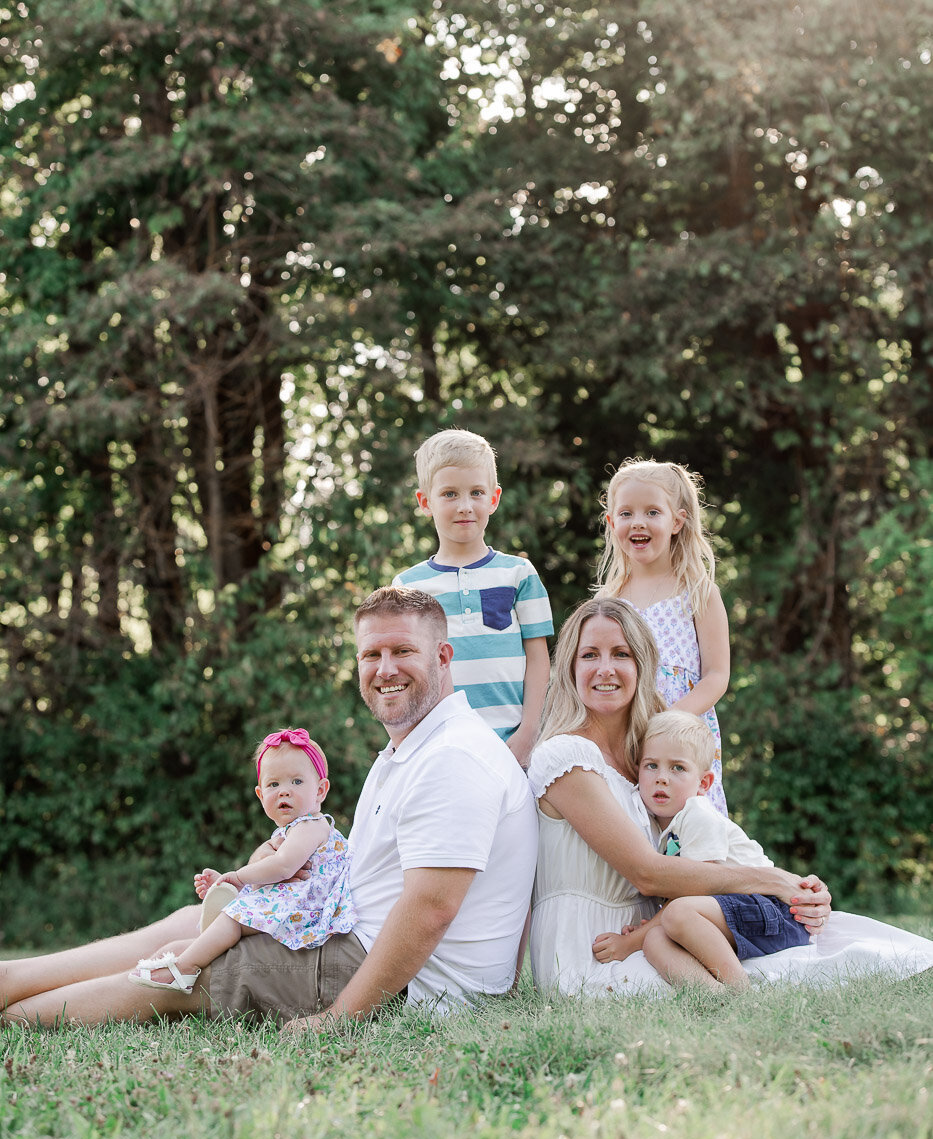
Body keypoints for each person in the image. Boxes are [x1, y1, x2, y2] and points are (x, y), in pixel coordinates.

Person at [0, 587, 538, 1028]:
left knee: (185, 970)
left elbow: (430, 910)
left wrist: (337, 1020)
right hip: (355, 936)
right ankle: (13, 979)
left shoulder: (453, 757)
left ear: (442, 657)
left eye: (403, 651)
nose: (384, 669)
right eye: (371, 655)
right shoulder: (413, 748)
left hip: (412, 984)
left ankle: (14, 1018)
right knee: (199, 920)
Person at [527, 597, 933, 997]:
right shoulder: (566, 756)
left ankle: (747, 981)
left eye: (621, 654)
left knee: (813, 953)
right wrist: (773, 880)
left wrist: (799, 893)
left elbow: (706, 853)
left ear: (642, 665)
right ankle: (738, 995)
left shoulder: (649, 761)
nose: (605, 668)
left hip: (666, 931)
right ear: (570, 667)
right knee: (773, 975)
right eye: (589, 655)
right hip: (588, 948)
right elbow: (647, 873)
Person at [591, 711, 810, 988]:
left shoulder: (697, 815)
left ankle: (741, 990)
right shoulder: (657, 826)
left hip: (772, 910)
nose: (662, 778)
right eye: (651, 766)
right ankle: (715, 997)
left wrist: (629, 942)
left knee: (676, 915)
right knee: (655, 940)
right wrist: (646, 933)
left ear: (703, 783)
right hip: (733, 914)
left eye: (678, 768)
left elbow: (698, 887)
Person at [127, 729, 355, 994]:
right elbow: (274, 877)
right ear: (260, 795)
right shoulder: (291, 830)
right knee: (240, 907)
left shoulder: (310, 826)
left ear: (320, 790)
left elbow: (283, 867)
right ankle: (224, 901)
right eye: (273, 785)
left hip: (311, 909)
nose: (284, 792)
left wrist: (238, 876)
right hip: (298, 900)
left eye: (296, 781)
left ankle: (186, 967)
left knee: (234, 918)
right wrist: (239, 882)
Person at [392, 428, 553, 766]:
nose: (465, 506)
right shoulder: (408, 587)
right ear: (425, 502)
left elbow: (538, 659)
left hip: (513, 747)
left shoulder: (519, 573)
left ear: (493, 499)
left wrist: (529, 731)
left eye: (476, 493)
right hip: (442, 748)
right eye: (449, 494)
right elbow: (405, 670)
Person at [596, 458, 730, 814]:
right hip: (625, 738)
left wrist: (667, 722)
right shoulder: (607, 601)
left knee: (687, 829)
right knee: (630, 825)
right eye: (626, 513)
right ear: (611, 523)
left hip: (680, 741)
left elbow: (717, 675)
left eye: (652, 512)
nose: (638, 522)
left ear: (677, 522)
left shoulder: (698, 592)